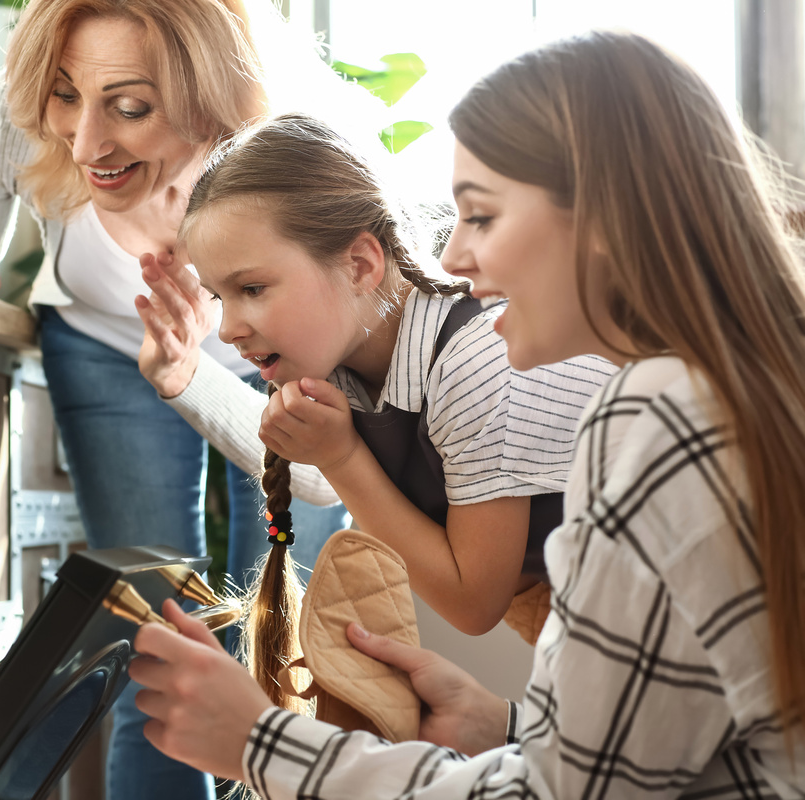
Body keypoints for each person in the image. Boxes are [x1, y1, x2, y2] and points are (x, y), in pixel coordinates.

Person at [128, 30, 805, 799]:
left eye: (480, 217)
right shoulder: (698, 398)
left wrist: (266, 745)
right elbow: (664, 744)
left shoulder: (655, 418)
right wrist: (508, 727)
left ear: (605, 222)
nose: (450, 258)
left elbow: (560, 793)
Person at [0, 1, 362, 798]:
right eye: (67, 97)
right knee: (161, 642)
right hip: (108, 354)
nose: (85, 144)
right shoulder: (21, 104)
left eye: (132, 107)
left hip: (290, 366)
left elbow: (325, 471)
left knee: (287, 651)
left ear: (211, 96)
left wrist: (192, 374)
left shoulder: (301, 144)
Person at [136, 112, 612, 659]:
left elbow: (473, 603)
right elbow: (314, 478)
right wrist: (181, 375)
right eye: (221, 297)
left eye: (253, 287)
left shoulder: (476, 358)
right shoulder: (343, 350)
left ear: (361, 264)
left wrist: (341, 457)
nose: (227, 328)